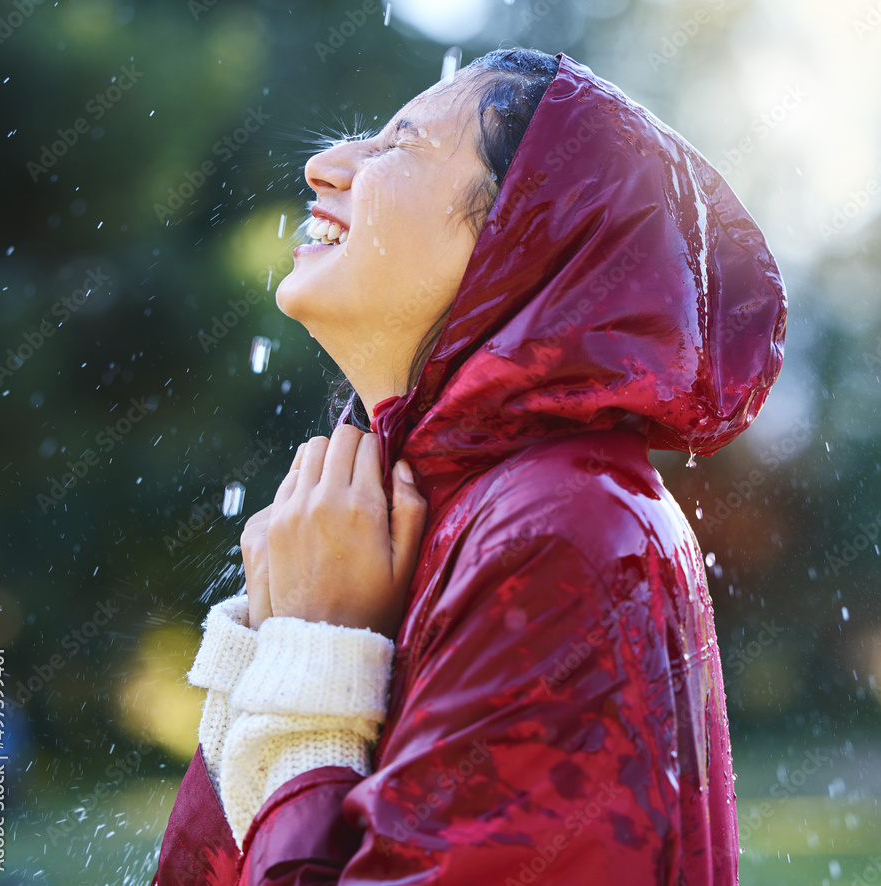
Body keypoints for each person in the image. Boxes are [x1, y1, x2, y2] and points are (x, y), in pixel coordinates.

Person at [151, 48, 787, 885]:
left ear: (523, 234)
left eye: (397, 147)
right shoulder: (436, 505)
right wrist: (271, 653)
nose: (324, 167)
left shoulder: (565, 530)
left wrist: (317, 674)